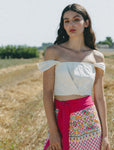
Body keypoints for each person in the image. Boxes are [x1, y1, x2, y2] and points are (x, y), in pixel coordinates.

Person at [37, 3, 110, 150]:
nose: (71, 24)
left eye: (76, 19)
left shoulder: (97, 57)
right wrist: (53, 131)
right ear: (63, 25)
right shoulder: (53, 52)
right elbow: (47, 93)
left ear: (86, 23)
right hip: (61, 117)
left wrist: (106, 135)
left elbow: (99, 97)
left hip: (89, 121)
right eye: (67, 20)